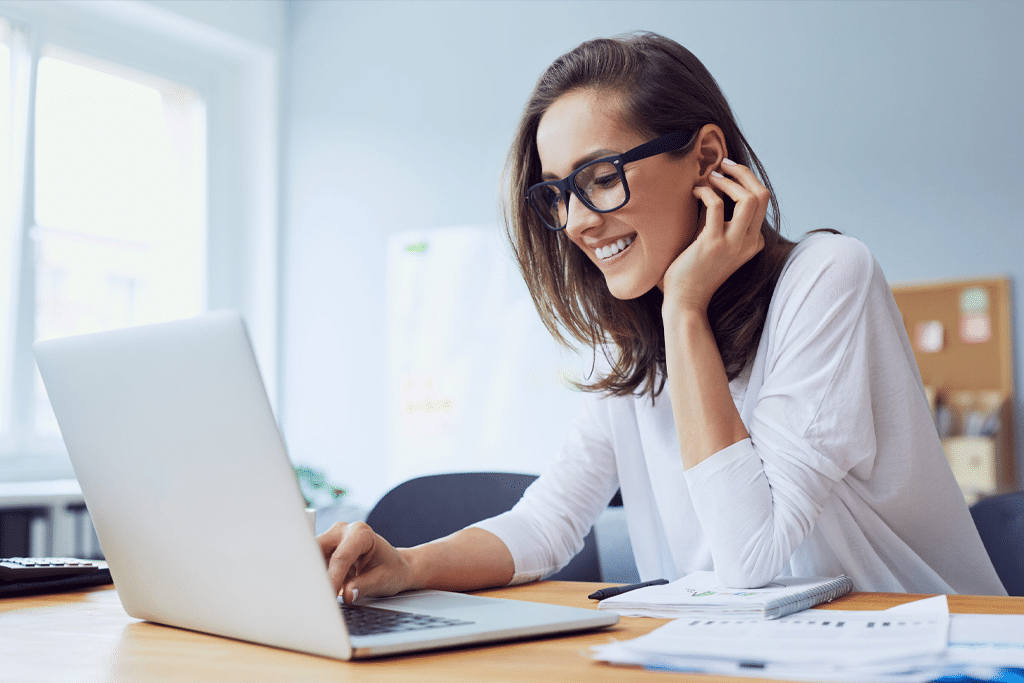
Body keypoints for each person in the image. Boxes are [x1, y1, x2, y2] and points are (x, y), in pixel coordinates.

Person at [318, 31, 1007, 600]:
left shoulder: (829, 277)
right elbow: (548, 521)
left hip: (932, 658)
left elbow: (751, 559)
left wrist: (685, 307)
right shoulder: (633, 347)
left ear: (707, 157)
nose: (579, 222)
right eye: (558, 194)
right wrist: (407, 564)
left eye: (600, 177)